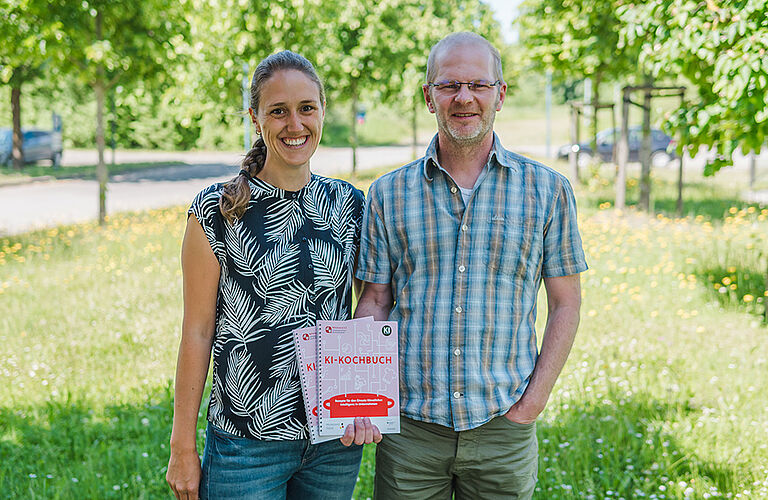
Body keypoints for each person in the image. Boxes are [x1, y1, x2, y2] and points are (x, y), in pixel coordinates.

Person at [354, 32, 588, 499]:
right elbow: (375, 300)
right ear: (428, 96)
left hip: (504, 426)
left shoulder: (549, 191)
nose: (464, 98)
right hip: (410, 433)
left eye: (479, 85)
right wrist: (366, 393)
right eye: (449, 85)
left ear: (500, 95)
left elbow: (566, 303)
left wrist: (533, 401)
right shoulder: (387, 194)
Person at [165, 50, 377, 500]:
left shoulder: (350, 205)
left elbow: (368, 314)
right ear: (256, 119)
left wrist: (367, 400)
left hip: (334, 442)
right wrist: (182, 444)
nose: (294, 125)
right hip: (246, 446)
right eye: (278, 111)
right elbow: (198, 331)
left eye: (306, 109)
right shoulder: (215, 210)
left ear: (322, 111)